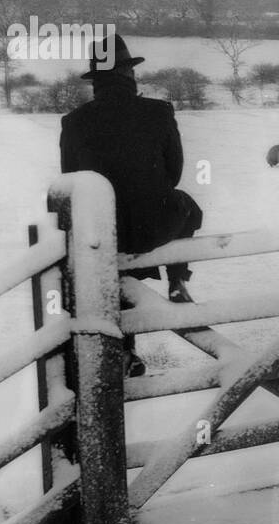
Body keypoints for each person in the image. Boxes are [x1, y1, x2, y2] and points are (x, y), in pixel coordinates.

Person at [59, 33, 203, 376]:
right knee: (190, 208)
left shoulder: (75, 122)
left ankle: (126, 351)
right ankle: (177, 279)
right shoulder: (159, 112)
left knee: (112, 272)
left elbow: (72, 181)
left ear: (96, 81)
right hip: (157, 223)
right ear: (129, 74)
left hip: (105, 231)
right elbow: (175, 173)